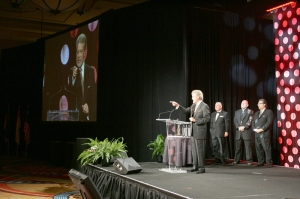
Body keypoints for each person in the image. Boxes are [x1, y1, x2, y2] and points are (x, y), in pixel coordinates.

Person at [171, 90, 210, 174]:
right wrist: (178, 105)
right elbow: (186, 110)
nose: (192, 98)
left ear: (198, 97)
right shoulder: (193, 105)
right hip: (193, 131)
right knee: (195, 150)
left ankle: (201, 168)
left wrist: (195, 120)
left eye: (193, 96)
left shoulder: (204, 106)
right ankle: (195, 167)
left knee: (200, 150)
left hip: (200, 131)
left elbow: (207, 118)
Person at [69, 33, 96, 121]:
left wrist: (89, 109)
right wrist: (73, 78)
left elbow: (93, 95)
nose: (78, 55)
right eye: (77, 52)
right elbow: (69, 93)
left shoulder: (90, 71)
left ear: (84, 53)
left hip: (87, 118)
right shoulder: (72, 71)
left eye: (80, 51)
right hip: (75, 118)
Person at [252, 99, 274, 168]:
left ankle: (269, 162)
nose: (258, 105)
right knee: (258, 148)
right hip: (257, 133)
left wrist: (262, 129)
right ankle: (260, 161)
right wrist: (254, 128)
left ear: (264, 104)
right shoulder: (256, 113)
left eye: (260, 103)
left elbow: (269, 122)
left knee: (266, 148)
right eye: (258, 104)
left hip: (264, 133)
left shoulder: (269, 112)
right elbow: (253, 122)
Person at [232, 100, 253, 165]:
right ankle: (236, 160)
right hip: (238, 132)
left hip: (246, 131)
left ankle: (249, 161)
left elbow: (250, 121)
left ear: (247, 105)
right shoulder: (237, 112)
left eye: (244, 103)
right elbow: (235, 121)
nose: (243, 104)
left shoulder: (250, 111)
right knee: (238, 147)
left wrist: (244, 127)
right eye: (242, 103)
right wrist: (238, 127)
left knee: (247, 147)